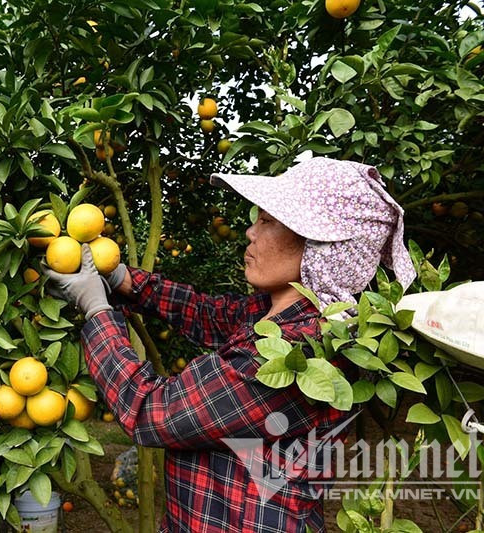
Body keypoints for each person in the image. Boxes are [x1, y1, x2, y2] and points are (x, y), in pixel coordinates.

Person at [43, 158, 417, 533]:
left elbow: (152, 412)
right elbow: (207, 314)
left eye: (268, 221)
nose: (250, 233)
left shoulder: (299, 352)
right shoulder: (282, 316)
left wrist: (95, 310)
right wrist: (123, 279)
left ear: (322, 249)